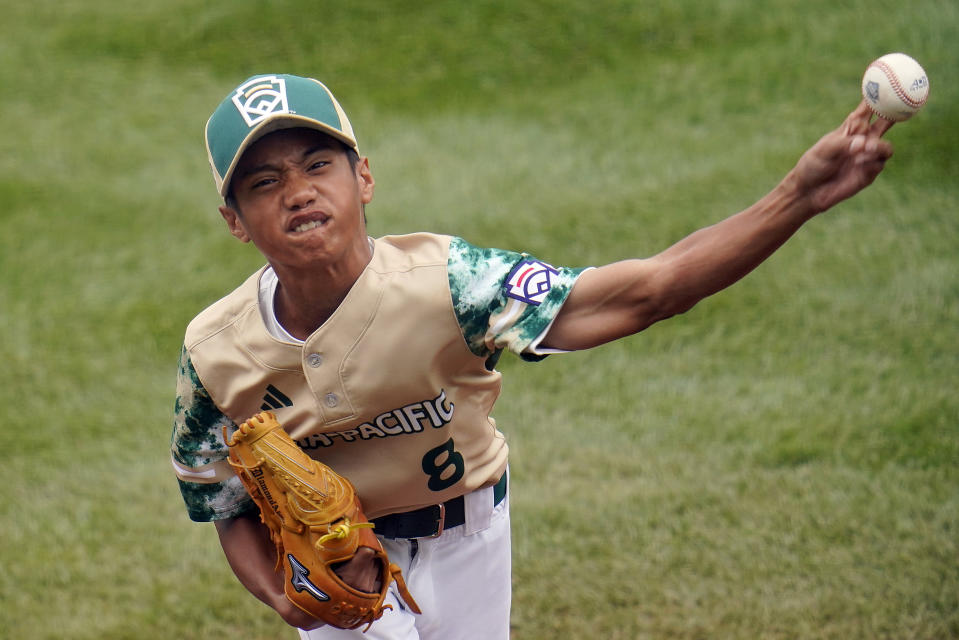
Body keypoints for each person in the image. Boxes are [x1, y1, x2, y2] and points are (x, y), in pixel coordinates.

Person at [170, 73, 894, 639]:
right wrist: (282, 593)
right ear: (234, 220)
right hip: (336, 571)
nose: (297, 193)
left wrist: (796, 197)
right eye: (263, 183)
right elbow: (221, 499)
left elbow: (647, 293)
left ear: (362, 176)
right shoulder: (215, 352)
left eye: (316, 164)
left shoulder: (452, 285)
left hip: (469, 541)